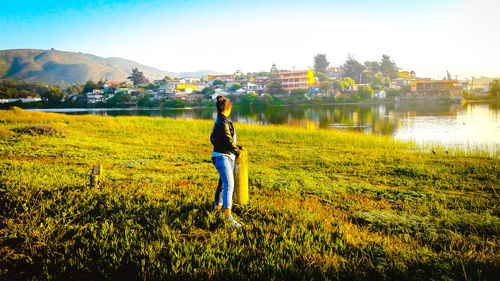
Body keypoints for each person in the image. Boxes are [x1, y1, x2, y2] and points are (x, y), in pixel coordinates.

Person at [210, 95, 242, 228]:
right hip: (223, 156)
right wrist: (237, 151)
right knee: (229, 185)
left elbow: (217, 138)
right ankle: (228, 216)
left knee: (222, 184)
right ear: (227, 108)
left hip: (225, 155)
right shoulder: (222, 122)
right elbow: (228, 140)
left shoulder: (221, 120)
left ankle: (216, 208)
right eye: (230, 108)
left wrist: (235, 149)